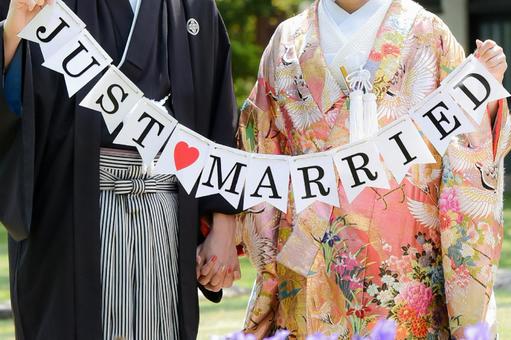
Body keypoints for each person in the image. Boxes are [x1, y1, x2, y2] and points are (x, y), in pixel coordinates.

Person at [236, 0, 510, 338]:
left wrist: (484, 98)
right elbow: (261, 154)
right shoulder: (287, 40)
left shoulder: (426, 32)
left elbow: (465, 146)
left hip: (404, 271)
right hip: (308, 267)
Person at [0, 0, 240, 339]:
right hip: (66, 216)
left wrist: (223, 222)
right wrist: (11, 31)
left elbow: (218, 113)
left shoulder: (193, 6)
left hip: (164, 215)